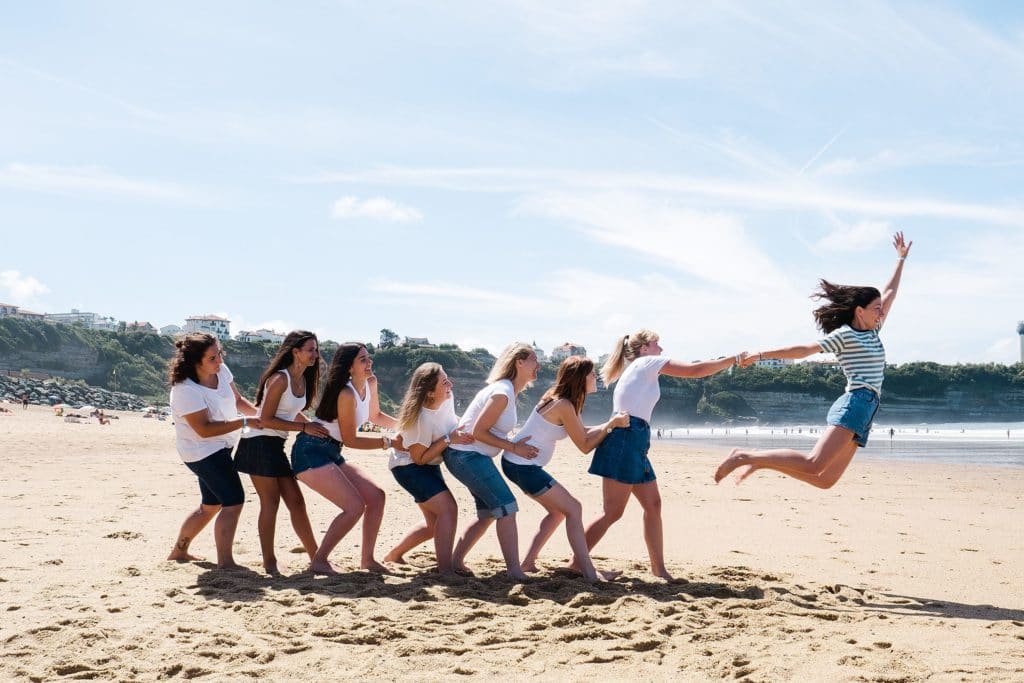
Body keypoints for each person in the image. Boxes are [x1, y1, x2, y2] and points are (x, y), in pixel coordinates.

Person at [715, 232, 912, 489]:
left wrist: (901, 259)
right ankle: (745, 456)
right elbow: (804, 350)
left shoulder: (873, 329)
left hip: (868, 407)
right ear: (859, 311)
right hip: (856, 402)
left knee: (825, 480)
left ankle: (762, 461)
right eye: (877, 308)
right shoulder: (846, 335)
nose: (882, 311)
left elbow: (889, 292)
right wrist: (761, 355)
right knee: (813, 463)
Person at [585, 331, 747, 580]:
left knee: (653, 505)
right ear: (643, 349)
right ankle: (577, 561)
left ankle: (658, 569)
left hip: (635, 439)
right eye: (656, 344)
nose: (661, 348)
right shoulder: (646, 362)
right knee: (613, 511)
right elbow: (695, 370)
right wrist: (733, 359)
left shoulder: (642, 367)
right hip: (626, 439)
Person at [501, 356, 629, 581]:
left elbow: (581, 430)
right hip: (522, 466)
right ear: (580, 378)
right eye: (591, 374)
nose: (595, 377)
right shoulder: (564, 405)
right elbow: (585, 445)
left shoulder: (566, 401)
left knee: (559, 512)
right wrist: (610, 426)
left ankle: (529, 563)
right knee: (574, 509)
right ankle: (588, 572)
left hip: (518, 464)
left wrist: (610, 424)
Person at [290, 343, 395, 573]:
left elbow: (375, 417)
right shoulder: (346, 393)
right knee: (354, 506)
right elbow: (352, 440)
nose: (369, 363)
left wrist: (403, 428)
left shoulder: (371, 382)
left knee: (376, 497)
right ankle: (319, 560)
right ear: (349, 367)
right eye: (363, 360)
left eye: (369, 358)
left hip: (331, 451)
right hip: (311, 451)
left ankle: (367, 559)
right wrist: (389, 442)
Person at [233, 331, 328, 574]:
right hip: (258, 443)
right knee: (271, 502)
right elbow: (264, 419)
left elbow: (290, 411)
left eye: (316, 350)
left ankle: (317, 558)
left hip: (275, 445)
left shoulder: (303, 379)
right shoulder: (280, 379)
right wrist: (304, 427)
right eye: (310, 349)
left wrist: (310, 428)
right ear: (295, 352)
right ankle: (270, 562)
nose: (315, 355)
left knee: (296, 502)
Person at [444, 342, 540, 580]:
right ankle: (514, 571)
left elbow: (489, 430)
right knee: (507, 507)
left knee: (489, 513)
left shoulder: (506, 390)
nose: (538, 365)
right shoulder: (502, 393)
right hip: (466, 456)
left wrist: (512, 440)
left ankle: (455, 561)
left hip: (470, 456)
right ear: (519, 362)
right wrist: (514, 447)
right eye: (533, 360)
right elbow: (478, 431)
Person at [167, 333, 261, 568]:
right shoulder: (185, 390)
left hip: (222, 445)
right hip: (201, 451)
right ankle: (226, 561)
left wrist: (261, 417)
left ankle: (179, 553)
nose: (219, 361)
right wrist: (244, 423)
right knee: (233, 500)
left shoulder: (221, 370)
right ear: (195, 362)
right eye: (212, 357)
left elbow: (238, 400)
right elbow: (204, 430)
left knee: (210, 506)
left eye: (220, 354)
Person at [383, 363, 474, 575]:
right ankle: (445, 570)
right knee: (448, 510)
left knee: (434, 524)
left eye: (447, 378)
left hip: (428, 463)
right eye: (444, 382)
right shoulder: (420, 419)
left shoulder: (447, 398)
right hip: (409, 468)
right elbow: (419, 458)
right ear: (430, 393)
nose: (450, 384)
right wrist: (449, 439)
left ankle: (394, 555)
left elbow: (451, 422)